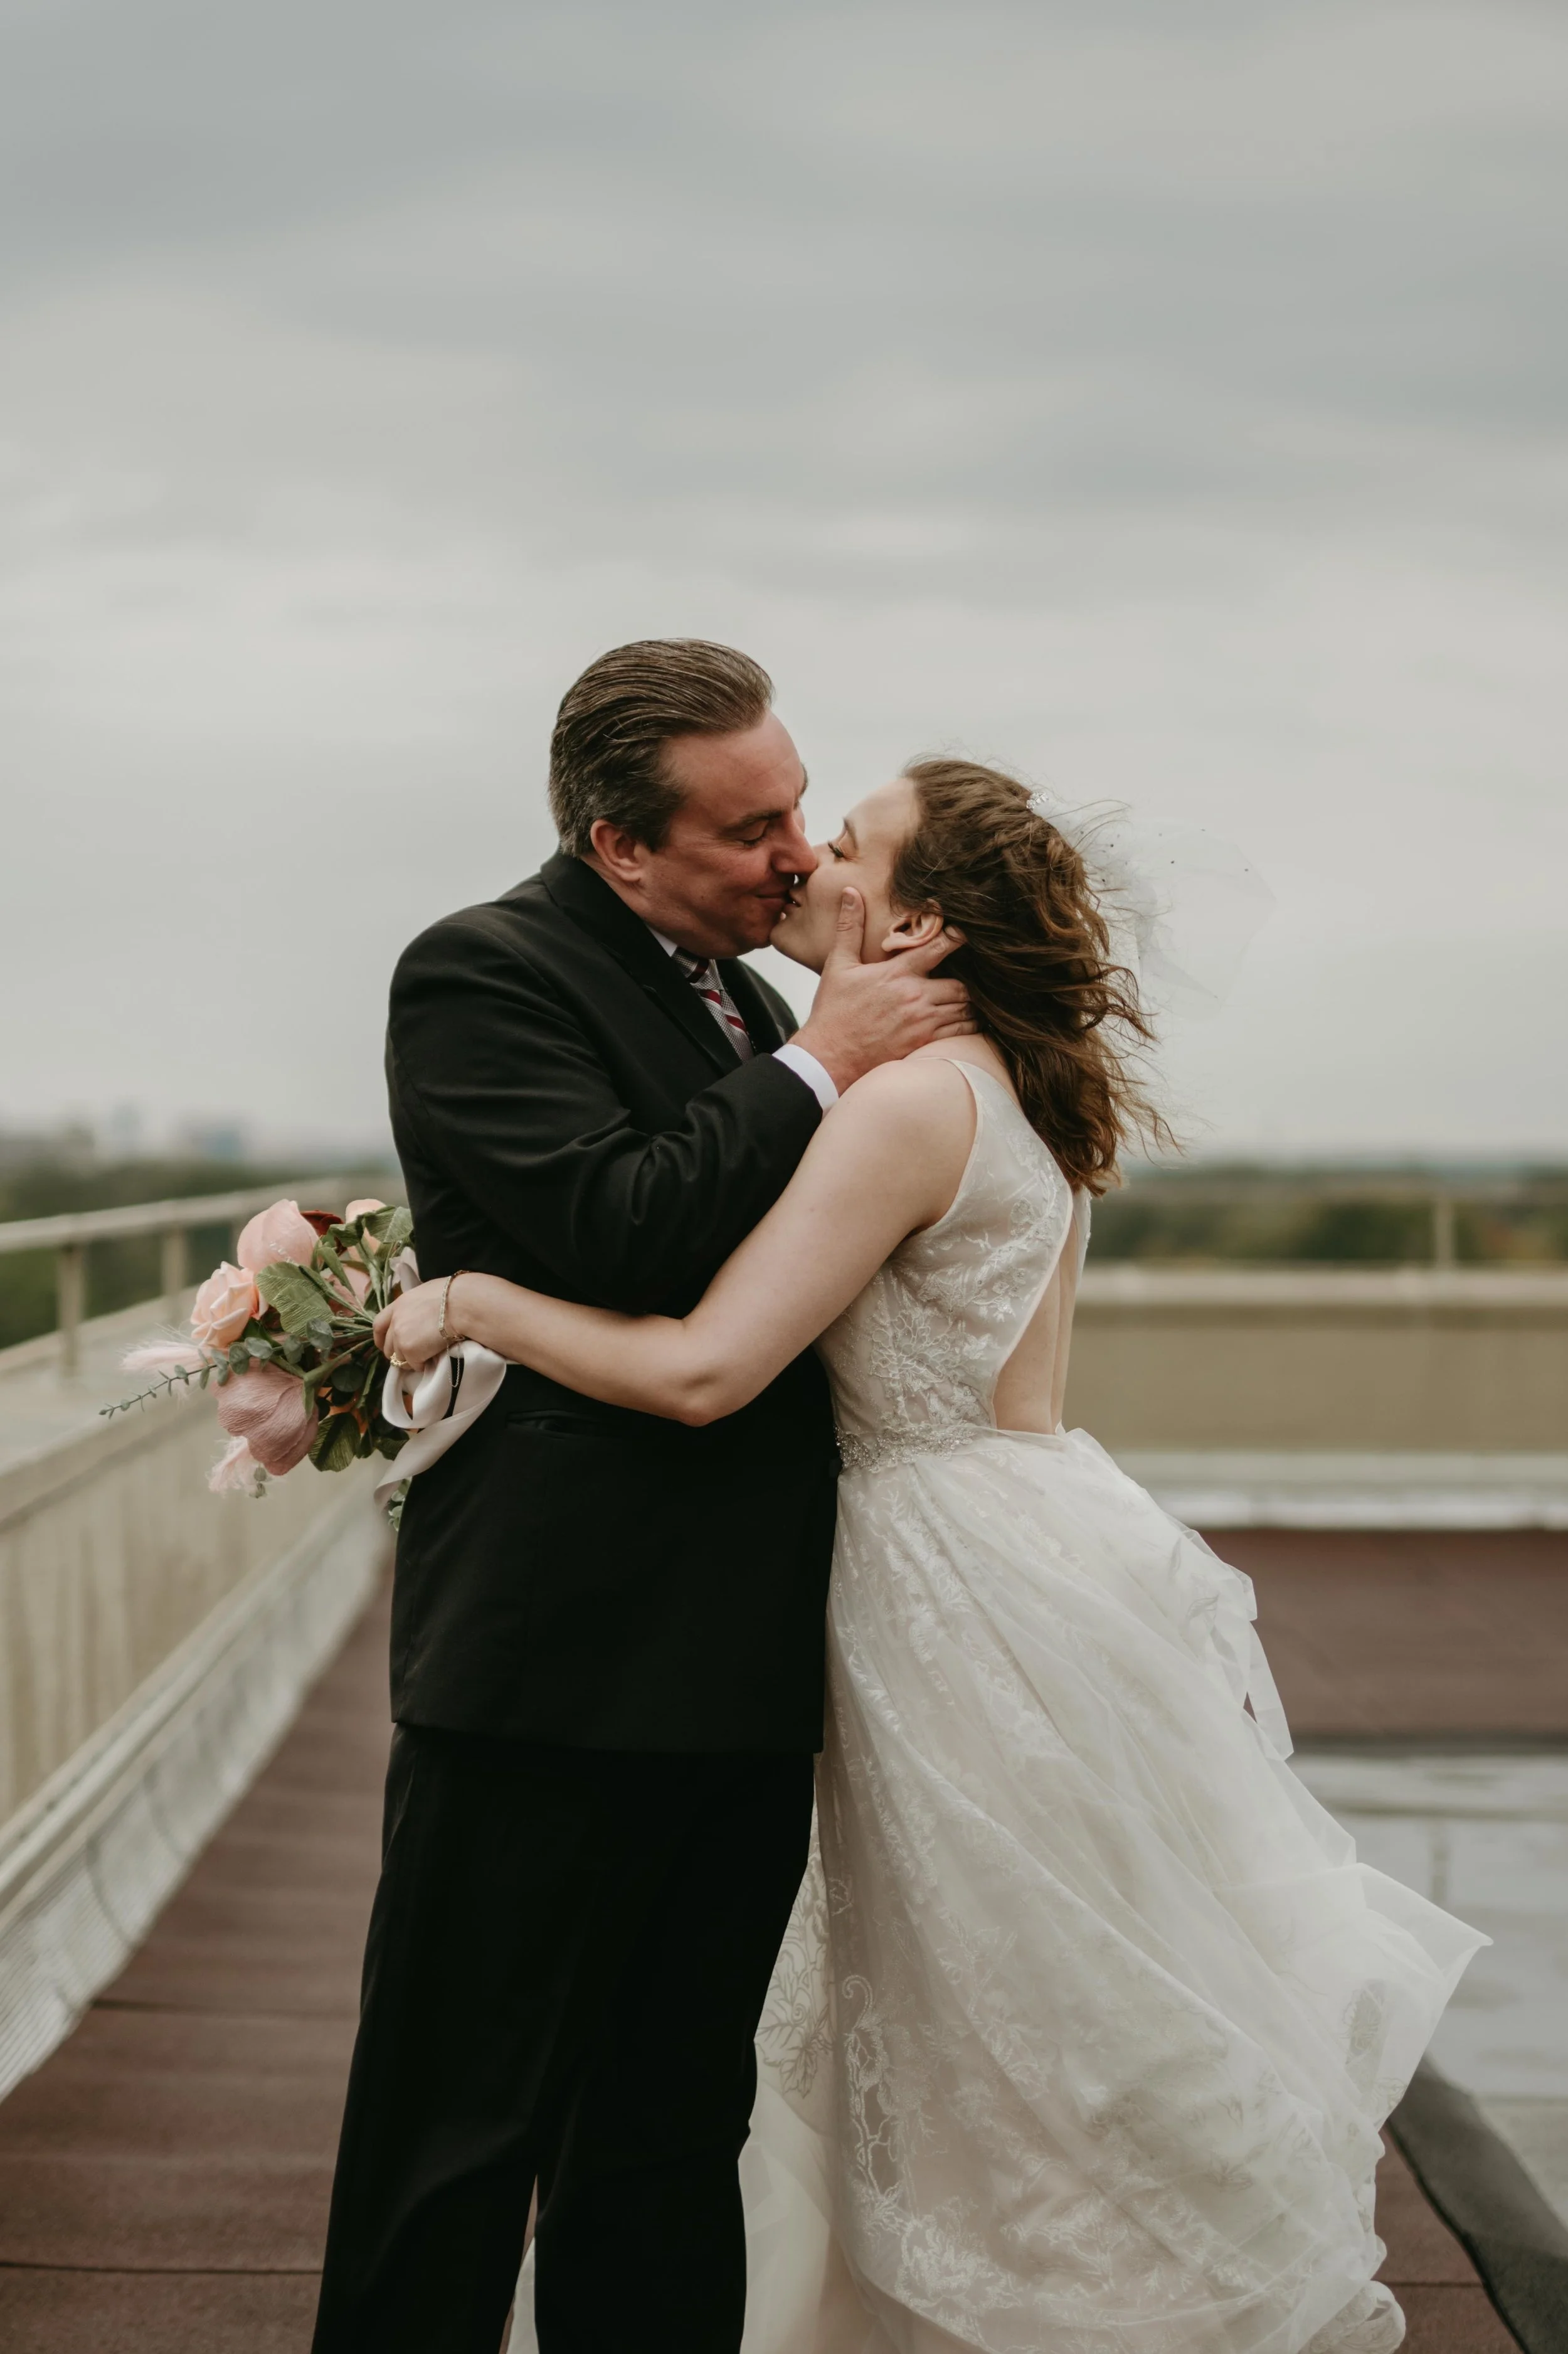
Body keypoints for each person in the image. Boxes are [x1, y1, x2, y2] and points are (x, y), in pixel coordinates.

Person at [380, 756, 1485, 2354]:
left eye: (849, 842)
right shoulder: (1021, 1080)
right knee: (1048, 2017)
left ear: (915, 922)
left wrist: (469, 1299)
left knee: (988, 2028)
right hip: (1040, 1541)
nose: (813, 857)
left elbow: (703, 1369)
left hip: (937, 1585)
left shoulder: (898, 1100)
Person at [310, 641, 974, 2354]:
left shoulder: (740, 996)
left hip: (732, 1673)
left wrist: (809, 1039)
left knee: (672, 2139)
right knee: (454, 2137)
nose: (798, 856)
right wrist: (824, 1063)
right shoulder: (480, 974)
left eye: (801, 812)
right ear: (618, 842)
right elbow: (621, 1229)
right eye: (750, 828)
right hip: (547, 1664)